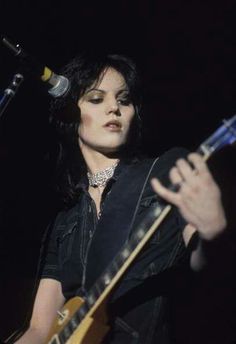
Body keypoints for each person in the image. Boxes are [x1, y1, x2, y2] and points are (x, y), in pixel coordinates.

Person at [14, 53, 226, 344]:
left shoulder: (166, 171)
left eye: (124, 100)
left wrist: (214, 234)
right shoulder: (64, 223)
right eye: (96, 99)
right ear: (68, 114)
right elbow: (39, 329)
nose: (113, 107)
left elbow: (207, 265)